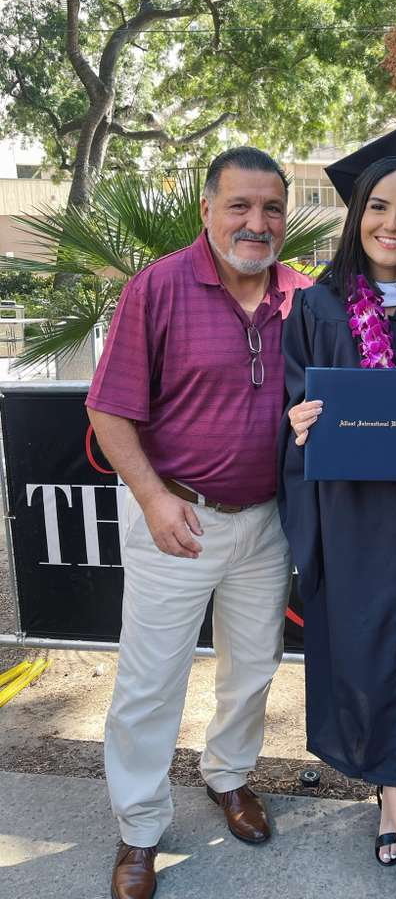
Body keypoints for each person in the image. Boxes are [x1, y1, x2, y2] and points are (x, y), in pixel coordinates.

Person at [86, 146, 311, 899]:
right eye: (240, 206)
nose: (257, 222)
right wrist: (152, 498)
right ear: (208, 210)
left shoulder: (305, 298)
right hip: (176, 517)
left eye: (272, 208)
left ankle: (229, 777)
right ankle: (140, 828)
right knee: (151, 685)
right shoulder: (159, 288)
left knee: (251, 671)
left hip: (267, 521)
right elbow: (108, 410)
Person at [279, 121, 396, 899]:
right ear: (356, 216)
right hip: (355, 524)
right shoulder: (318, 307)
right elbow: (294, 407)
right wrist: (297, 423)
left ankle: (395, 813)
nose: (392, 224)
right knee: (368, 663)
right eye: (377, 208)